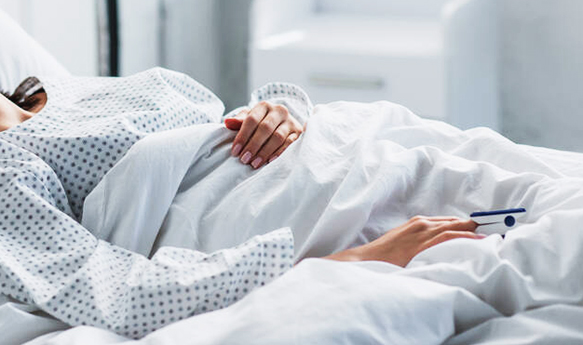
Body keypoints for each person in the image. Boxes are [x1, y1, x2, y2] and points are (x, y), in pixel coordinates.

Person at [0, 68, 482, 339]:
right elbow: (107, 289)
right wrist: (330, 268)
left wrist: (277, 110)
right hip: (278, 222)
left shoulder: (62, 88)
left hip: (336, 145)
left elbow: (218, 112)